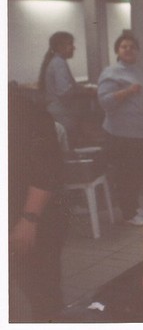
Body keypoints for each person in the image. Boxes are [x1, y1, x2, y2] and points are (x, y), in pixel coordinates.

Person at [8, 85, 68, 322]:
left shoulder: (24, 110)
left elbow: (47, 171)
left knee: (43, 295)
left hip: (32, 216)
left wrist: (29, 220)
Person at [97, 34, 143, 225]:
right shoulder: (111, 72)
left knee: (136, 173)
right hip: (121, 133)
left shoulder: (138, 70)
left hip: (141, 132)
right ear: (117, 51)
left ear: (137, 51)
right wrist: (127, 92)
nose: (128, 49)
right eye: (124, 46)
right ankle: (128, 213)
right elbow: (105, 101)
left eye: (132, 46)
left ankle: (134, 207)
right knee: (126, 174)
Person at [38, 31, 94, 147]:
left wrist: (81, 88)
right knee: (69, 145)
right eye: (70, 44)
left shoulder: (56, 61)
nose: (74, 47)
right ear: (60, 46)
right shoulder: (59, 63)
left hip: (58, 112)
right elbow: (64, 92)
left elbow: (67, 86)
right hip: (63, 114)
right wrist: (85, 92)